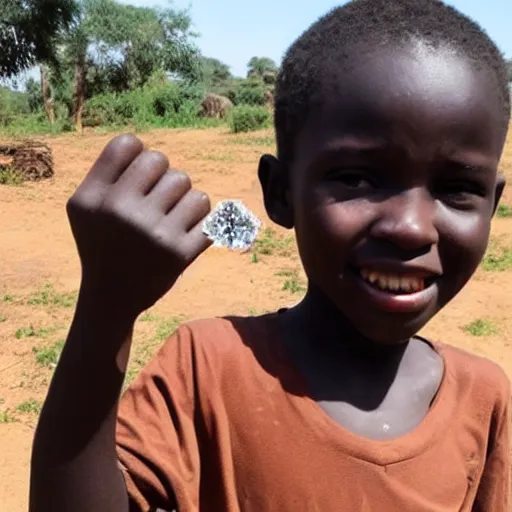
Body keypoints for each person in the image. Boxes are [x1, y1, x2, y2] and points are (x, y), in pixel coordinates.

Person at [30, 0, 511, 510]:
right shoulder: (208, 369)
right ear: (281, 193)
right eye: (357, 178)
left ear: (493, 204)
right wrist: (106, 307)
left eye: (458, 188)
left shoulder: (484, 399)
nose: (412, 228)